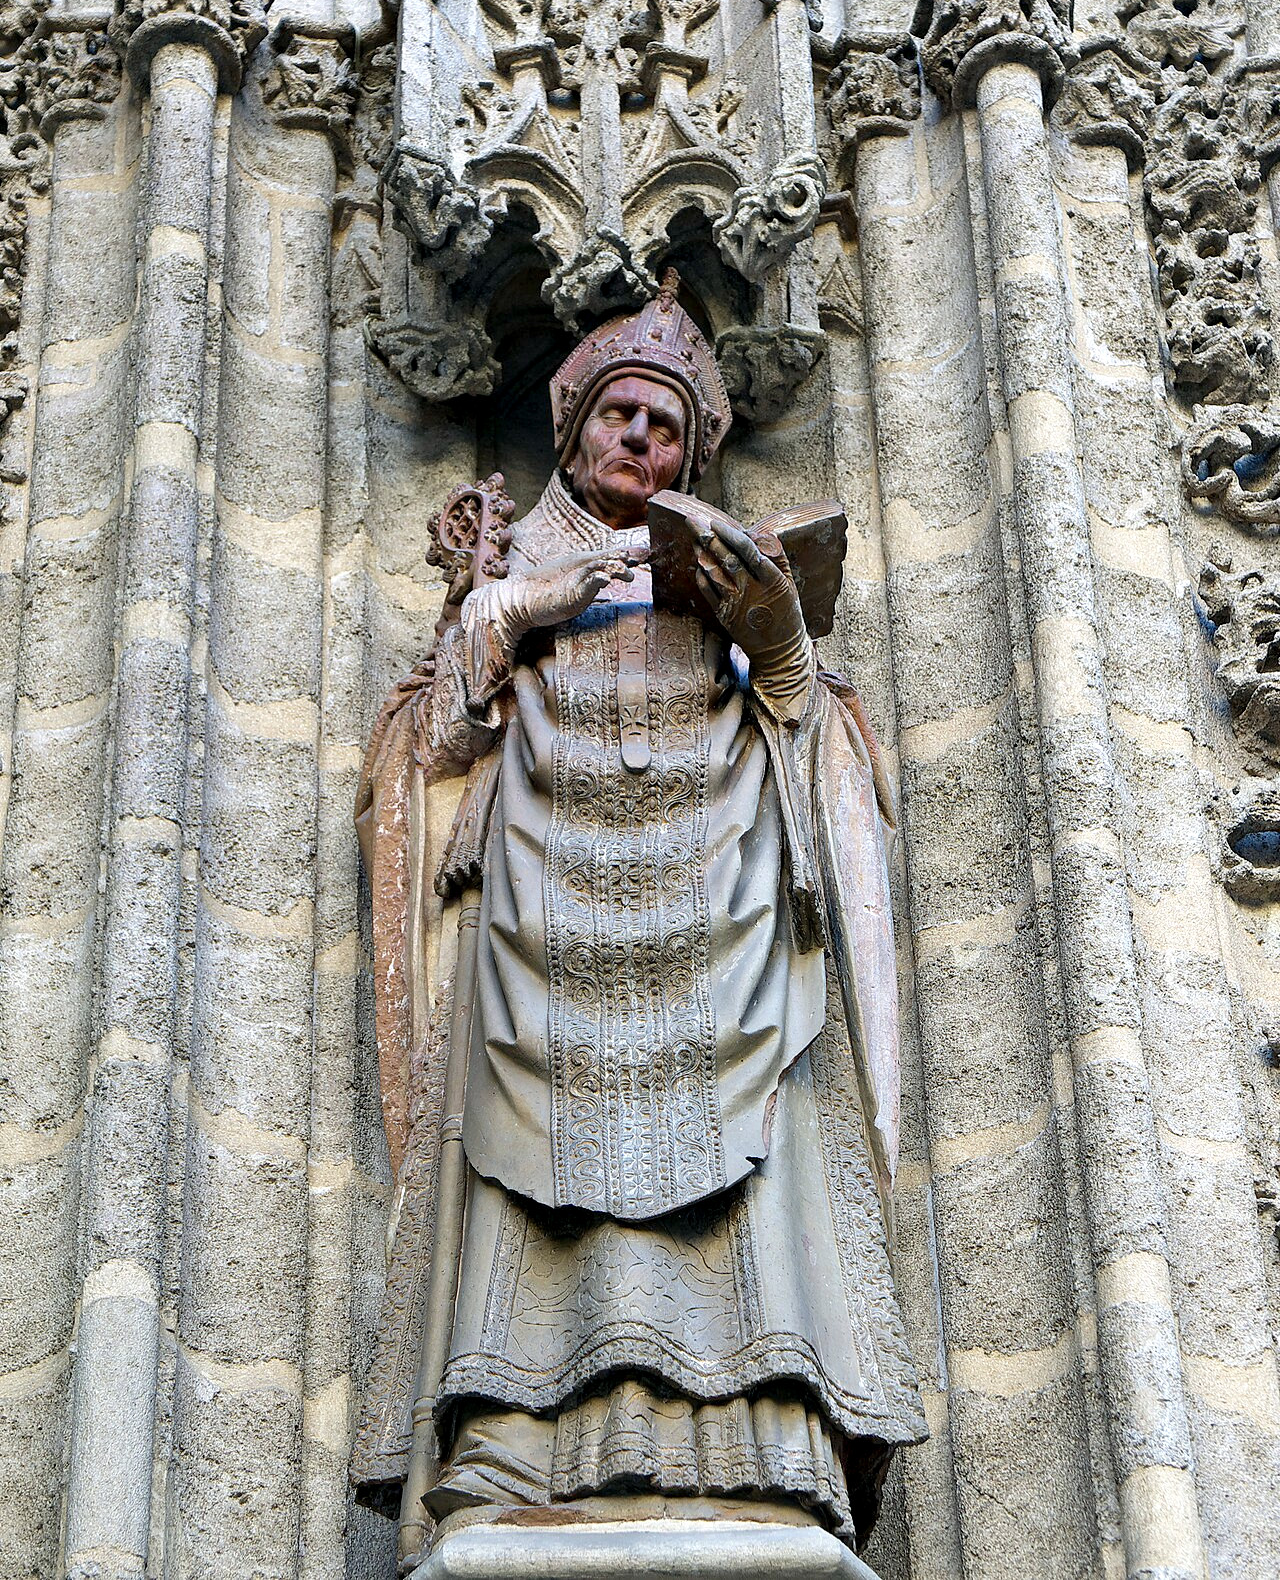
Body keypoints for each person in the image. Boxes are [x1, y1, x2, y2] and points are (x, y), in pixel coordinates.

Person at [351, 271, 925, 1552]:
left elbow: (825, 761)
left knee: (747, 1170)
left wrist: (777, 640)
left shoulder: (723, 571)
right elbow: (423, 760)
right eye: (618, 414)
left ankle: (762, 1438)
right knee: (525, 1177)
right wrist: (509, 609)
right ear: (571, 432)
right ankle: (513, 1441)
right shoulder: (508, 575)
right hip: (536, 939)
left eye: (666, 428)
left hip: (722, 936)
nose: (640, 442)